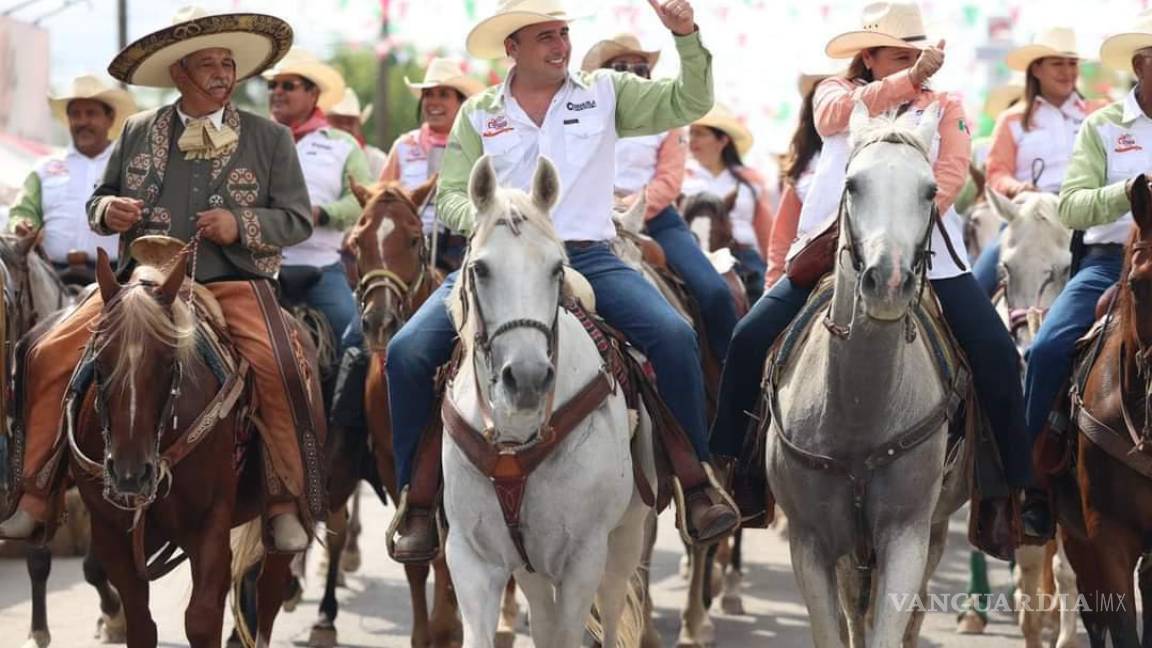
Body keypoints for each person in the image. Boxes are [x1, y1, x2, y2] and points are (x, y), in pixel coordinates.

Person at [385, 0, 739, 564]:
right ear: (514, 48)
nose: (560, 44)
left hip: (587, 256)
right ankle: (418, 501)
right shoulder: (478, 112)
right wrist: (487, 220)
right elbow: (452, 192)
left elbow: (690, 101)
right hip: (498, 260)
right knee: (404, 354)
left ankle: (696, 483)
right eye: (545, 35)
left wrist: (686, 36)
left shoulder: (604, 92)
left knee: (674, 336)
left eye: (563, 33)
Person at [0, 7, 320, 552]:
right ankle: (34, 492)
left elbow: (296, 220)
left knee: (282, 363)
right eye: (209, 64)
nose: (223, 74)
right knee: (45, 350)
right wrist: (111, 212)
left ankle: (286, 498)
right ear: (180, 73)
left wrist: (238, 224)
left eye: (228, 64)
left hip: (232, 283)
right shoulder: (136, 129)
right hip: (140, 286)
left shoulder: (270, 139)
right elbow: (98, 200)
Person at [708, 0, 1031, 522]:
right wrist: (908, 82)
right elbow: (832, 119)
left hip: (928, 253)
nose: (910, 64)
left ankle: (1010, 492)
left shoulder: (946, 105)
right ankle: (734, 472)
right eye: (898, 55)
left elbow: (949, 172)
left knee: (996, 353)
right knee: (749, 338)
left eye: (915, 55)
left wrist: (905, 227)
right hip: (830, 251)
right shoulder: (836, 95)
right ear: (869, 57)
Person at [1021, 12, 1152, 538]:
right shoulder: (1103, 127)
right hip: (1110, 265)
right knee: (1049, 347)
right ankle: (1031, 485)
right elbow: (1071, 207)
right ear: (1142, 65)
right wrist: (1128, 192)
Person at [582, 32, 739, 362]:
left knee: (713, 292)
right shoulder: (580, 120)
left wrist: (626, 207)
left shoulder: (666, 121)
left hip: (656, 222)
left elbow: (669, 181)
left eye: (641, 68)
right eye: (621, 68)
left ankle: (730, 380)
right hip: (591, 223)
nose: (633, 74)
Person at [972, 27, 1104, 296]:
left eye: (1072, 63)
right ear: (1036, 70)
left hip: (1089, 216)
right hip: (1028, 218)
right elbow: (996, 173)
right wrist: (1018, 188)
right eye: (1057, 64)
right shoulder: (1011, 120)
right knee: (976, 287)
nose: (1067, 72)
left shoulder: (1099, 113)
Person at [264, 48, 370, 354]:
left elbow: (362, 199)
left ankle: (348, 404)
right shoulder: (256, 139)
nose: (278, 92)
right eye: (273, 86)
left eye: (288, 85)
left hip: (321, 265)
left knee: (358, 341)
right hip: (260, 270)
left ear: (313, 93)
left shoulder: (342, 144)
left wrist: (321, 214)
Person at [8, 75, 136, 267]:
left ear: (110, 119)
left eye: (91, 113)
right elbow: (23, 210)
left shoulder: (131, 165)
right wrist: (22, 224)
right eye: (75, 114)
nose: (82, 121)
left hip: (115, 279)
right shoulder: (44, 168)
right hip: (51, 277)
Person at [380, 57, 485, 271]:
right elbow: (381, 200)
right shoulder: (404, 145)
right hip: (409, 245)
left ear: (461, 103)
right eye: (428, 95)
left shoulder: (477, 145)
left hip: (466, 244)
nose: (433, 102)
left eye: (444, 95)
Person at [683, 105, 773, 301]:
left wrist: (773, 266)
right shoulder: (682, 178)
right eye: (691, 133)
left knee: (760, 295)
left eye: (700, 134)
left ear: (722, 140)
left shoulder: (750, 179)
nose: (693, 140)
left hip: (743, 255)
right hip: (696, 255)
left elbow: (765, 231)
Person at [765, 58, 839, 289]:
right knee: (751, 327)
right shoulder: (802, 169)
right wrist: (772, 283)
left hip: (873, 266)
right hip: (810, 267)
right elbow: (782, 238)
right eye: (821, 97)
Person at [328, 87, 388, 181]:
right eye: (338, 121)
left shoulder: (376, 160)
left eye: (350, 121)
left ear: (359, 125)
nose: (345, 127)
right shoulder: (315, 156)